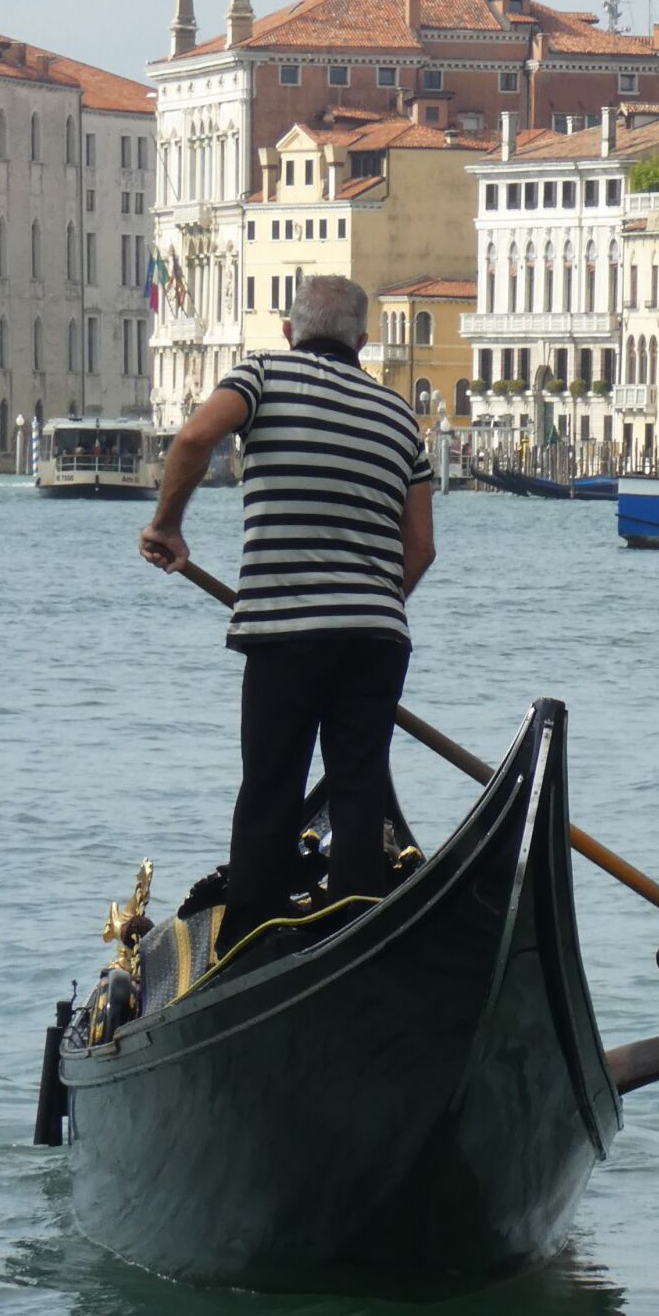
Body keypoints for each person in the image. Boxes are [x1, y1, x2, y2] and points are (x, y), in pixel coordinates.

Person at [139, 273, 436, 957]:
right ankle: (354, 927)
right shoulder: (398, 417)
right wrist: (371, 601)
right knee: (359, 787)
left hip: (285, 631)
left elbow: (191, 441)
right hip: (376, 637)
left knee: (272, 784)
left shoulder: (262, 375)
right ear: (362, 341)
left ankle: (249, 940)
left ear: (288, 331)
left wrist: (168, 527)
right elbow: (420, 547)